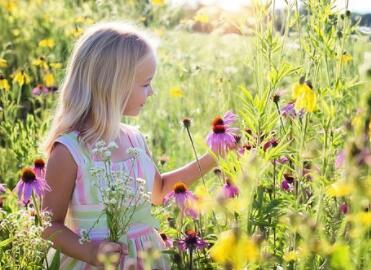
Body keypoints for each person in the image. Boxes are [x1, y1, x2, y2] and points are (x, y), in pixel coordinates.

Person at [41, 21, 217, 269]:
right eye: (145, 84)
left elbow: (159, 192)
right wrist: (91, 252)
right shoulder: (70, 151)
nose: (152, 92)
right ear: (113, 86)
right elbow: (49, 225)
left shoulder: (135, 139)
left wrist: (213, 157)